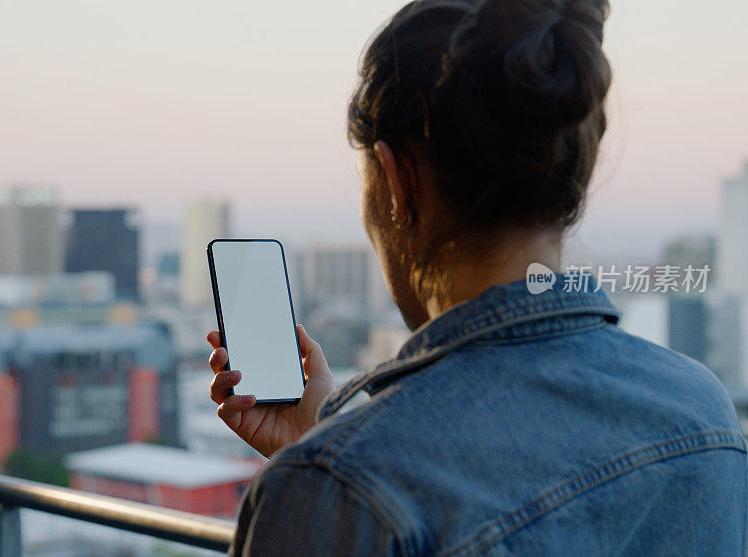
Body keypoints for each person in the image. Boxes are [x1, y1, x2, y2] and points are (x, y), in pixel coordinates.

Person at [208, 0, 747, 554]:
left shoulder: (337, 489)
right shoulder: (703, 409)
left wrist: (325, 473)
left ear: (398, 183)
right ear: (571, 180)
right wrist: (325, 444)